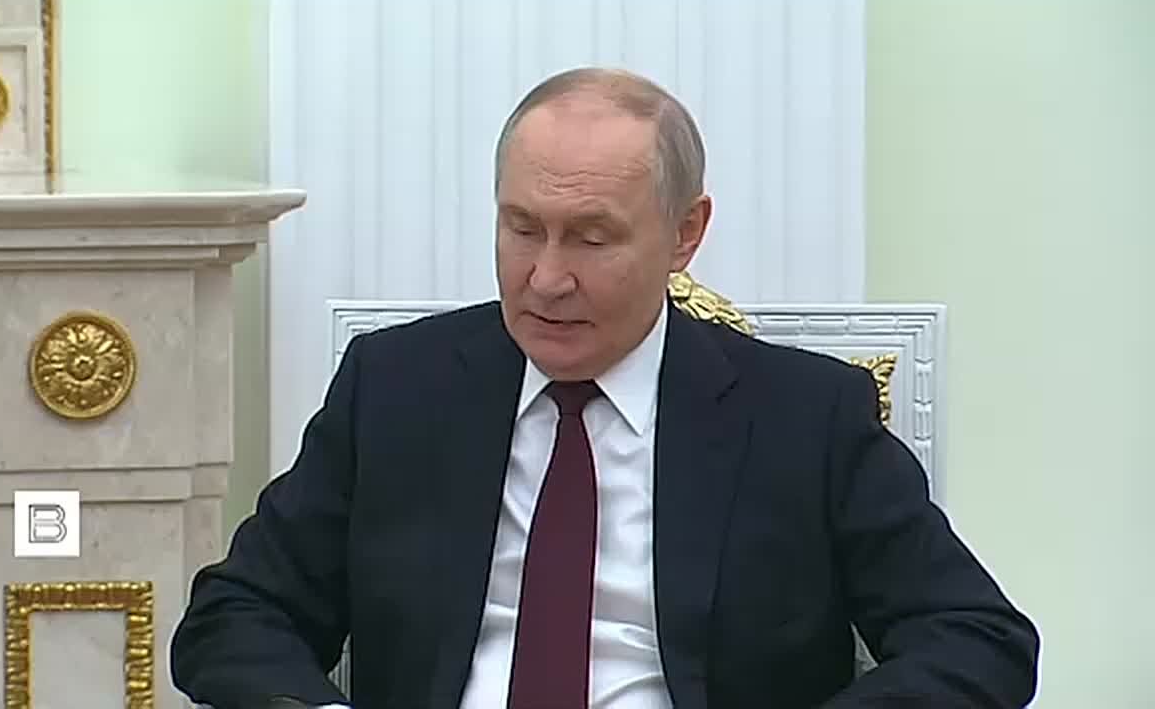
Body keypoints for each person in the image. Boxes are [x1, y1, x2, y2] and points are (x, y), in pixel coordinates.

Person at [170, 67, 1039, 709]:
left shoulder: (804, 418)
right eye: (522, 229)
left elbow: (977, 638)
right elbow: (234, 615)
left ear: (685, 234)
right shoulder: (397, 389)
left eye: (591, 238)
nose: (547, 279)